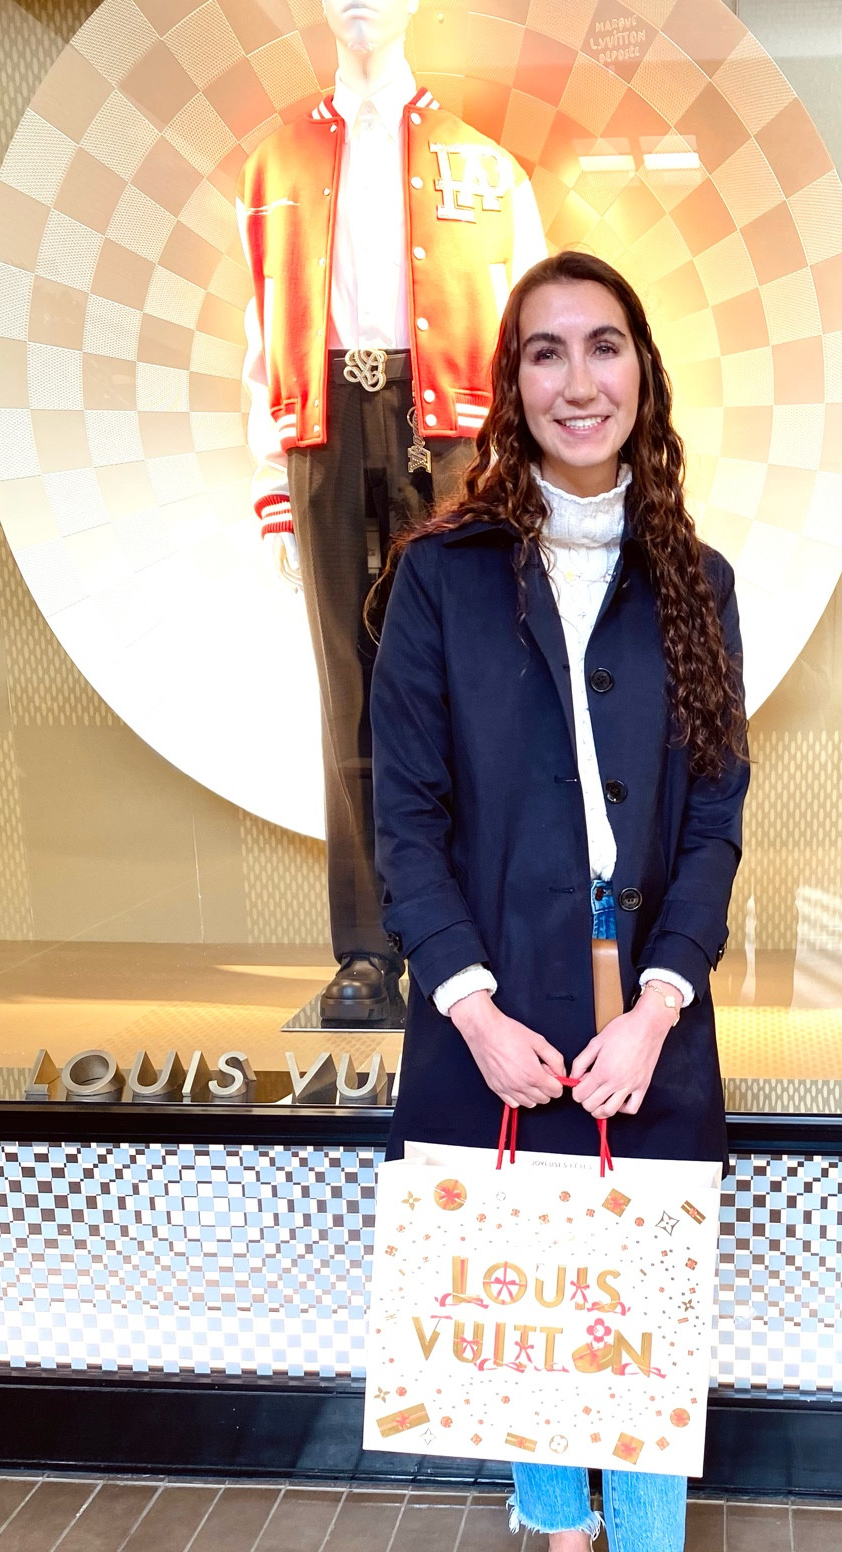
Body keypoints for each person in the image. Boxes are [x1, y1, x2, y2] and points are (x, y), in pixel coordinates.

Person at [370, 250, 762, 1552]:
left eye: (605, 348)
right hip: (498, 998)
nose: (578, 378)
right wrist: (467, 1006)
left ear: (643, 375)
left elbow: (720, 810)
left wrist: (665, 1000)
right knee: (538, 1297)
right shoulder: (445, 575)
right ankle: (558, 1544)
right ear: (510, 385)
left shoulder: (697, 581)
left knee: (640, 1323)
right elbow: (403, 817)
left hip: (646, 998)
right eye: (544, 353)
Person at [236, 0, 544, 1026]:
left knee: (464, 683)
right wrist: (273, 483)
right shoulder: (273, 162)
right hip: (324, 421)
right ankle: (366, 950)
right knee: (347, 689)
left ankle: (469, 932)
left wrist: (516, 471)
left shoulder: (487, 168)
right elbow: (261, 325)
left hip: (447, 428)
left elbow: (526, 331)